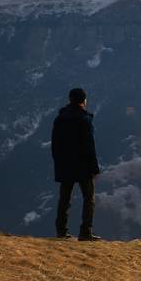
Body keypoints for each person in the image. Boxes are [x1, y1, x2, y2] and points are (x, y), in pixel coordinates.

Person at [52, 87, 101, 240]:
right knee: (88, 198)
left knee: (64, 199)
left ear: (70, 99)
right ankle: (85, 232)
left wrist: (58, 163)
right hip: (83, 167)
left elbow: (55, 144)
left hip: (65, 165)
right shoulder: (84, 120)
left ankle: (61, 231)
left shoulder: (60, 118)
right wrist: (94, 168)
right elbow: (89, 146)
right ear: (83, 101)